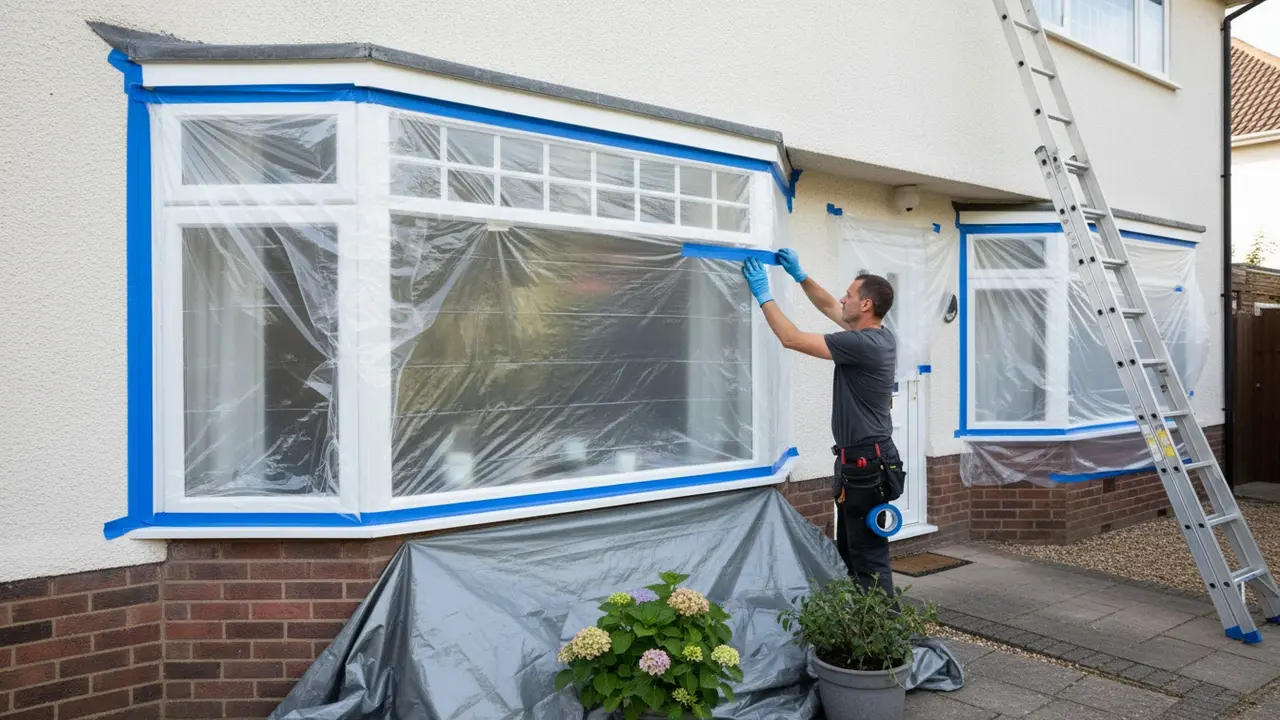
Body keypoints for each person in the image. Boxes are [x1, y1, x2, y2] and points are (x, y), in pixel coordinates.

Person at [742, 250, 903, 597]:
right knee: (852, 554)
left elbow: (792, 338)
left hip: (866, 465)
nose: (843, 299)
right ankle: (862, 623)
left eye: (850, 294)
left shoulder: (864, 344)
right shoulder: (878, 336)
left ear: (866, 305)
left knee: (867, 557)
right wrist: (800, 276)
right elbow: (830, 306)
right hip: (863, 462)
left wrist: (763, 294)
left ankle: (886, 627)